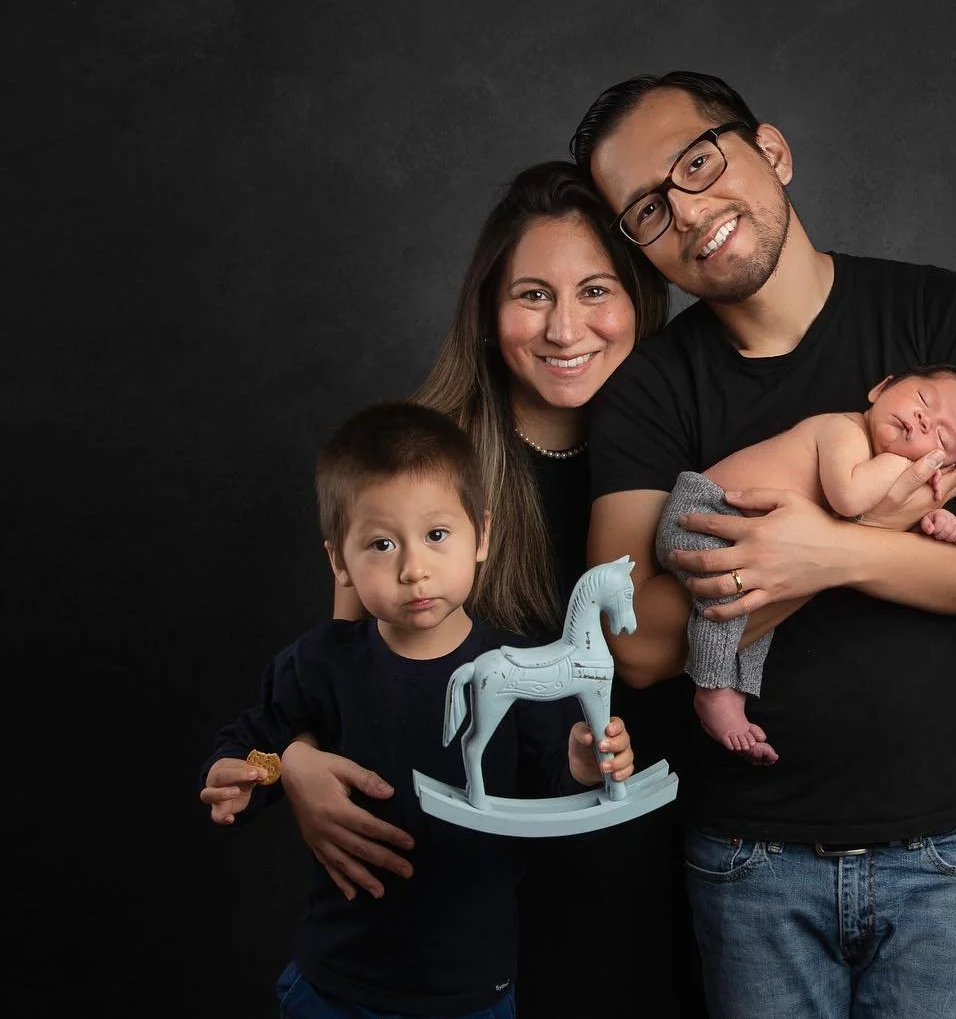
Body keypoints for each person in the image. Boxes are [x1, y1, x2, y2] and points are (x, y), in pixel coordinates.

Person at [571, 70, 956, 1018]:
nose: (687, 211)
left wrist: (835, 550)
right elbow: (633, 642)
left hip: (947, 848)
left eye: (698, 164)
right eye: (648, 210)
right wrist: (859, 531)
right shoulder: (647, 394)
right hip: (752, 859)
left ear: (773, 151)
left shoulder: (942, 316)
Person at [267, 163, 712, 1016]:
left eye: (595, 291)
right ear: (487, 309)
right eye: (532, 295)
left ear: (640, 301)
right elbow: (339, 678)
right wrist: (288, 763)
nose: (565, 328)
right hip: (468, 913)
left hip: (663, 879)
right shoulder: (423, 473)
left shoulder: (688, 446)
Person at [198, 400, 637, 1018]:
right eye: (381, 544)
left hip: (471, 991)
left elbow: (553, 793)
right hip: (336, 985)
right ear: (339, 562)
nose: (413, 569)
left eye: (436, 535)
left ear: (481, 535)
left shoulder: (520, 668)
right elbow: (256, 743)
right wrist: (240, 776)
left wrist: (587, 768)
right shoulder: (319, 662)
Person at [655, 362, 956, 764]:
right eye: (923, 399)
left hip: (755, 540)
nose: (924, 420)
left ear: (945, 467)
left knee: (766, 600)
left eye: (941, 436)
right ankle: (710, 687)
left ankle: (734, 688)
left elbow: (882, 529)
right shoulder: (842, 429)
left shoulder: (877, 468)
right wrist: (902, 465)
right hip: (703, 512)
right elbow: (850, 502)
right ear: (881, 389)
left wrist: (935, 518)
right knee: (731, 593)